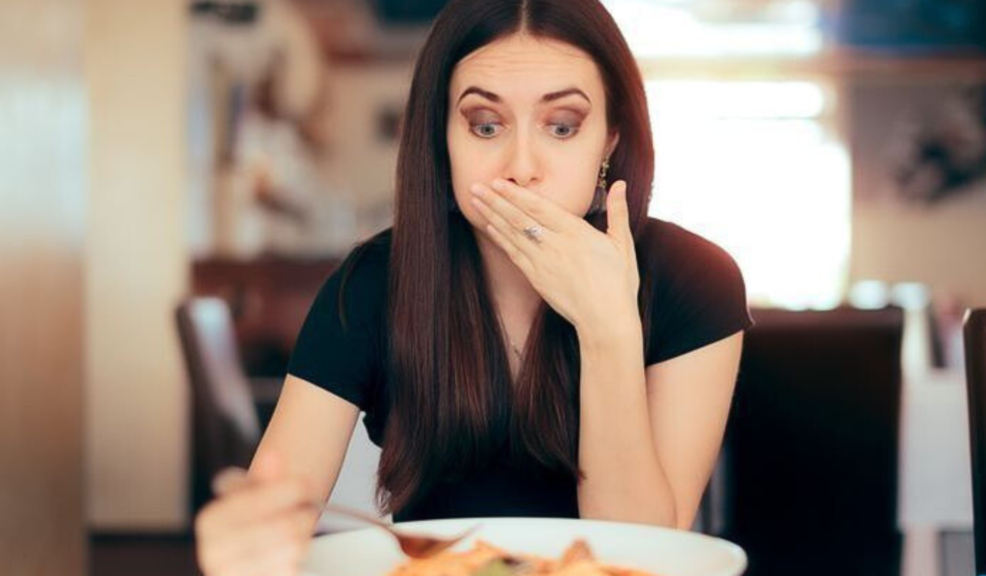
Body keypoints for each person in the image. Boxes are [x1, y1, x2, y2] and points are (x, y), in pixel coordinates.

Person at [194, 0, 755, 573]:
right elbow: (275, 510)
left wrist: (607, 326)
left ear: (609, 140)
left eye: (562, 127)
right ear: (443, 138)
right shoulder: (371, 284)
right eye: (485, 126)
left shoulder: (697, 280)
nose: (521, 166)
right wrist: (248, 541)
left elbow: (641, 554)